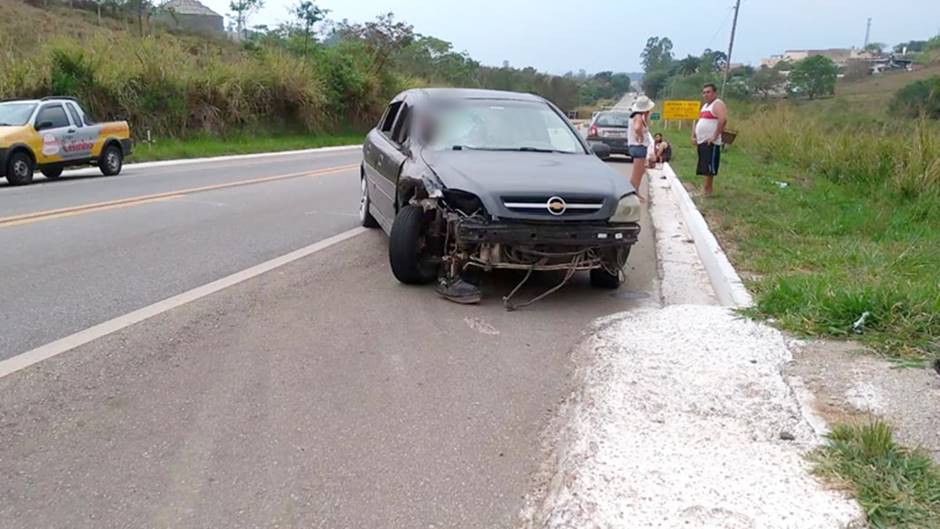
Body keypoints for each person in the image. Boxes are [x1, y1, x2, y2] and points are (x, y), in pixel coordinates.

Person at [691, 83, 728, 196]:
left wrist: (714, 136)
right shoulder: (705, 106)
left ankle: (708, 191)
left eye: (708, 92)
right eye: (704, 92)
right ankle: (704, 189)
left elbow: (723, 120)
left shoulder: (717, 104)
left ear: (714, 93)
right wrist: (694, 135)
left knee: (709, 168)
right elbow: (699, 121)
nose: (706, 94)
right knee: (704, 166)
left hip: (710, 142)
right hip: (702, 141)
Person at [627, 95, 655, 200]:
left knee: (640, 171)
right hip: (638, 146)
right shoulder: (638, 117)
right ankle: (633, 193)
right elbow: (637, 127)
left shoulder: (638, 116)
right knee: (637, 173)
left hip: (638, 147)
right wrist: (640, 136)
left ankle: (635, 191)